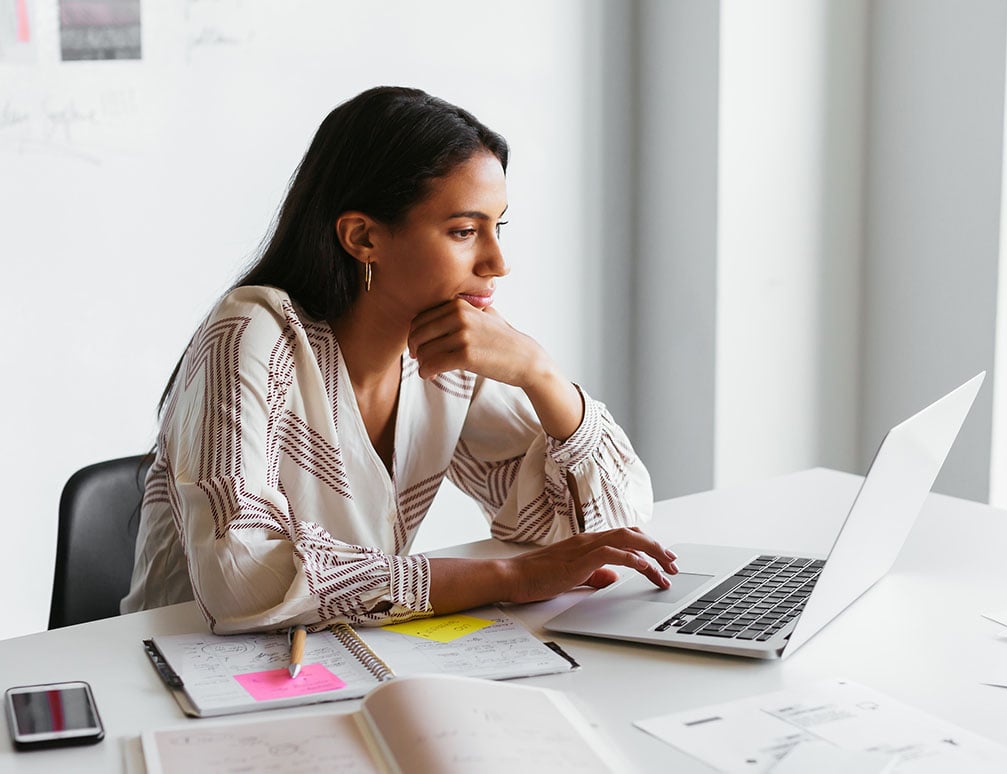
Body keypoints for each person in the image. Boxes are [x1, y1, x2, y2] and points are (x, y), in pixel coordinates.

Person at [121, 86, 677, 634]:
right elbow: (240, 578)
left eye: (497, 226)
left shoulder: (449, 355)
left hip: (344, 657)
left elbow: (601, 534)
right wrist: (505, 577)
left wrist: (542, 375)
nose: (498, 262)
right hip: (174, 668)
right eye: (464, 231)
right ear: (363, 237)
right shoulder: (251, 333)